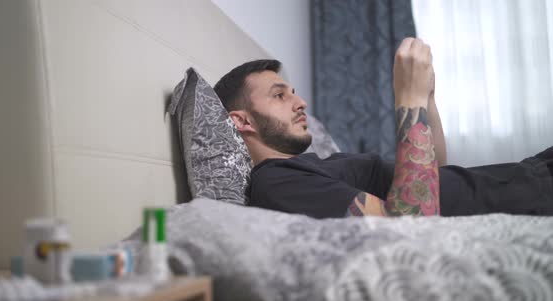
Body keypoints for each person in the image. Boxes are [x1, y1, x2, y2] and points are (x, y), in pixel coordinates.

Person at [214, 38, 553, 218]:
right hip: (531, 193)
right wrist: (408, 98)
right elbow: (410, 227)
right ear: (242, 121)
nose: (300, 102)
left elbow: (434, 176)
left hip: (529, 178)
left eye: (293, 92)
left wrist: (427, 101)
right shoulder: (275, 181)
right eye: (279, 96)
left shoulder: (313, 166)